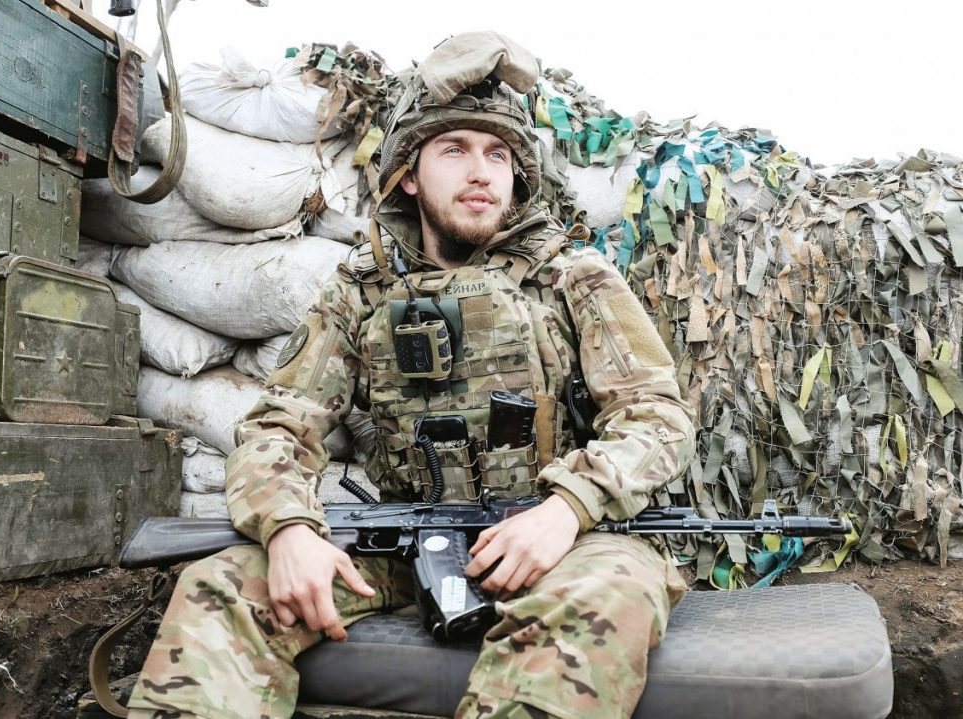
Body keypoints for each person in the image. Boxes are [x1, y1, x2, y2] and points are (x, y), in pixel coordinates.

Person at [126, 31, 694, 719]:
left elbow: (656, 418)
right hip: (401, 547)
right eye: (454, 149)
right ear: (410, 174)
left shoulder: (574, 278)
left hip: (556, 540)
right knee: (221, 585)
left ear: (518, 176)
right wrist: (288, 529)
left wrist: (567, 508)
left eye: (497, 154)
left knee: (611, 594)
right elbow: (279, 425)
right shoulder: (360, 292)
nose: (480, 171)